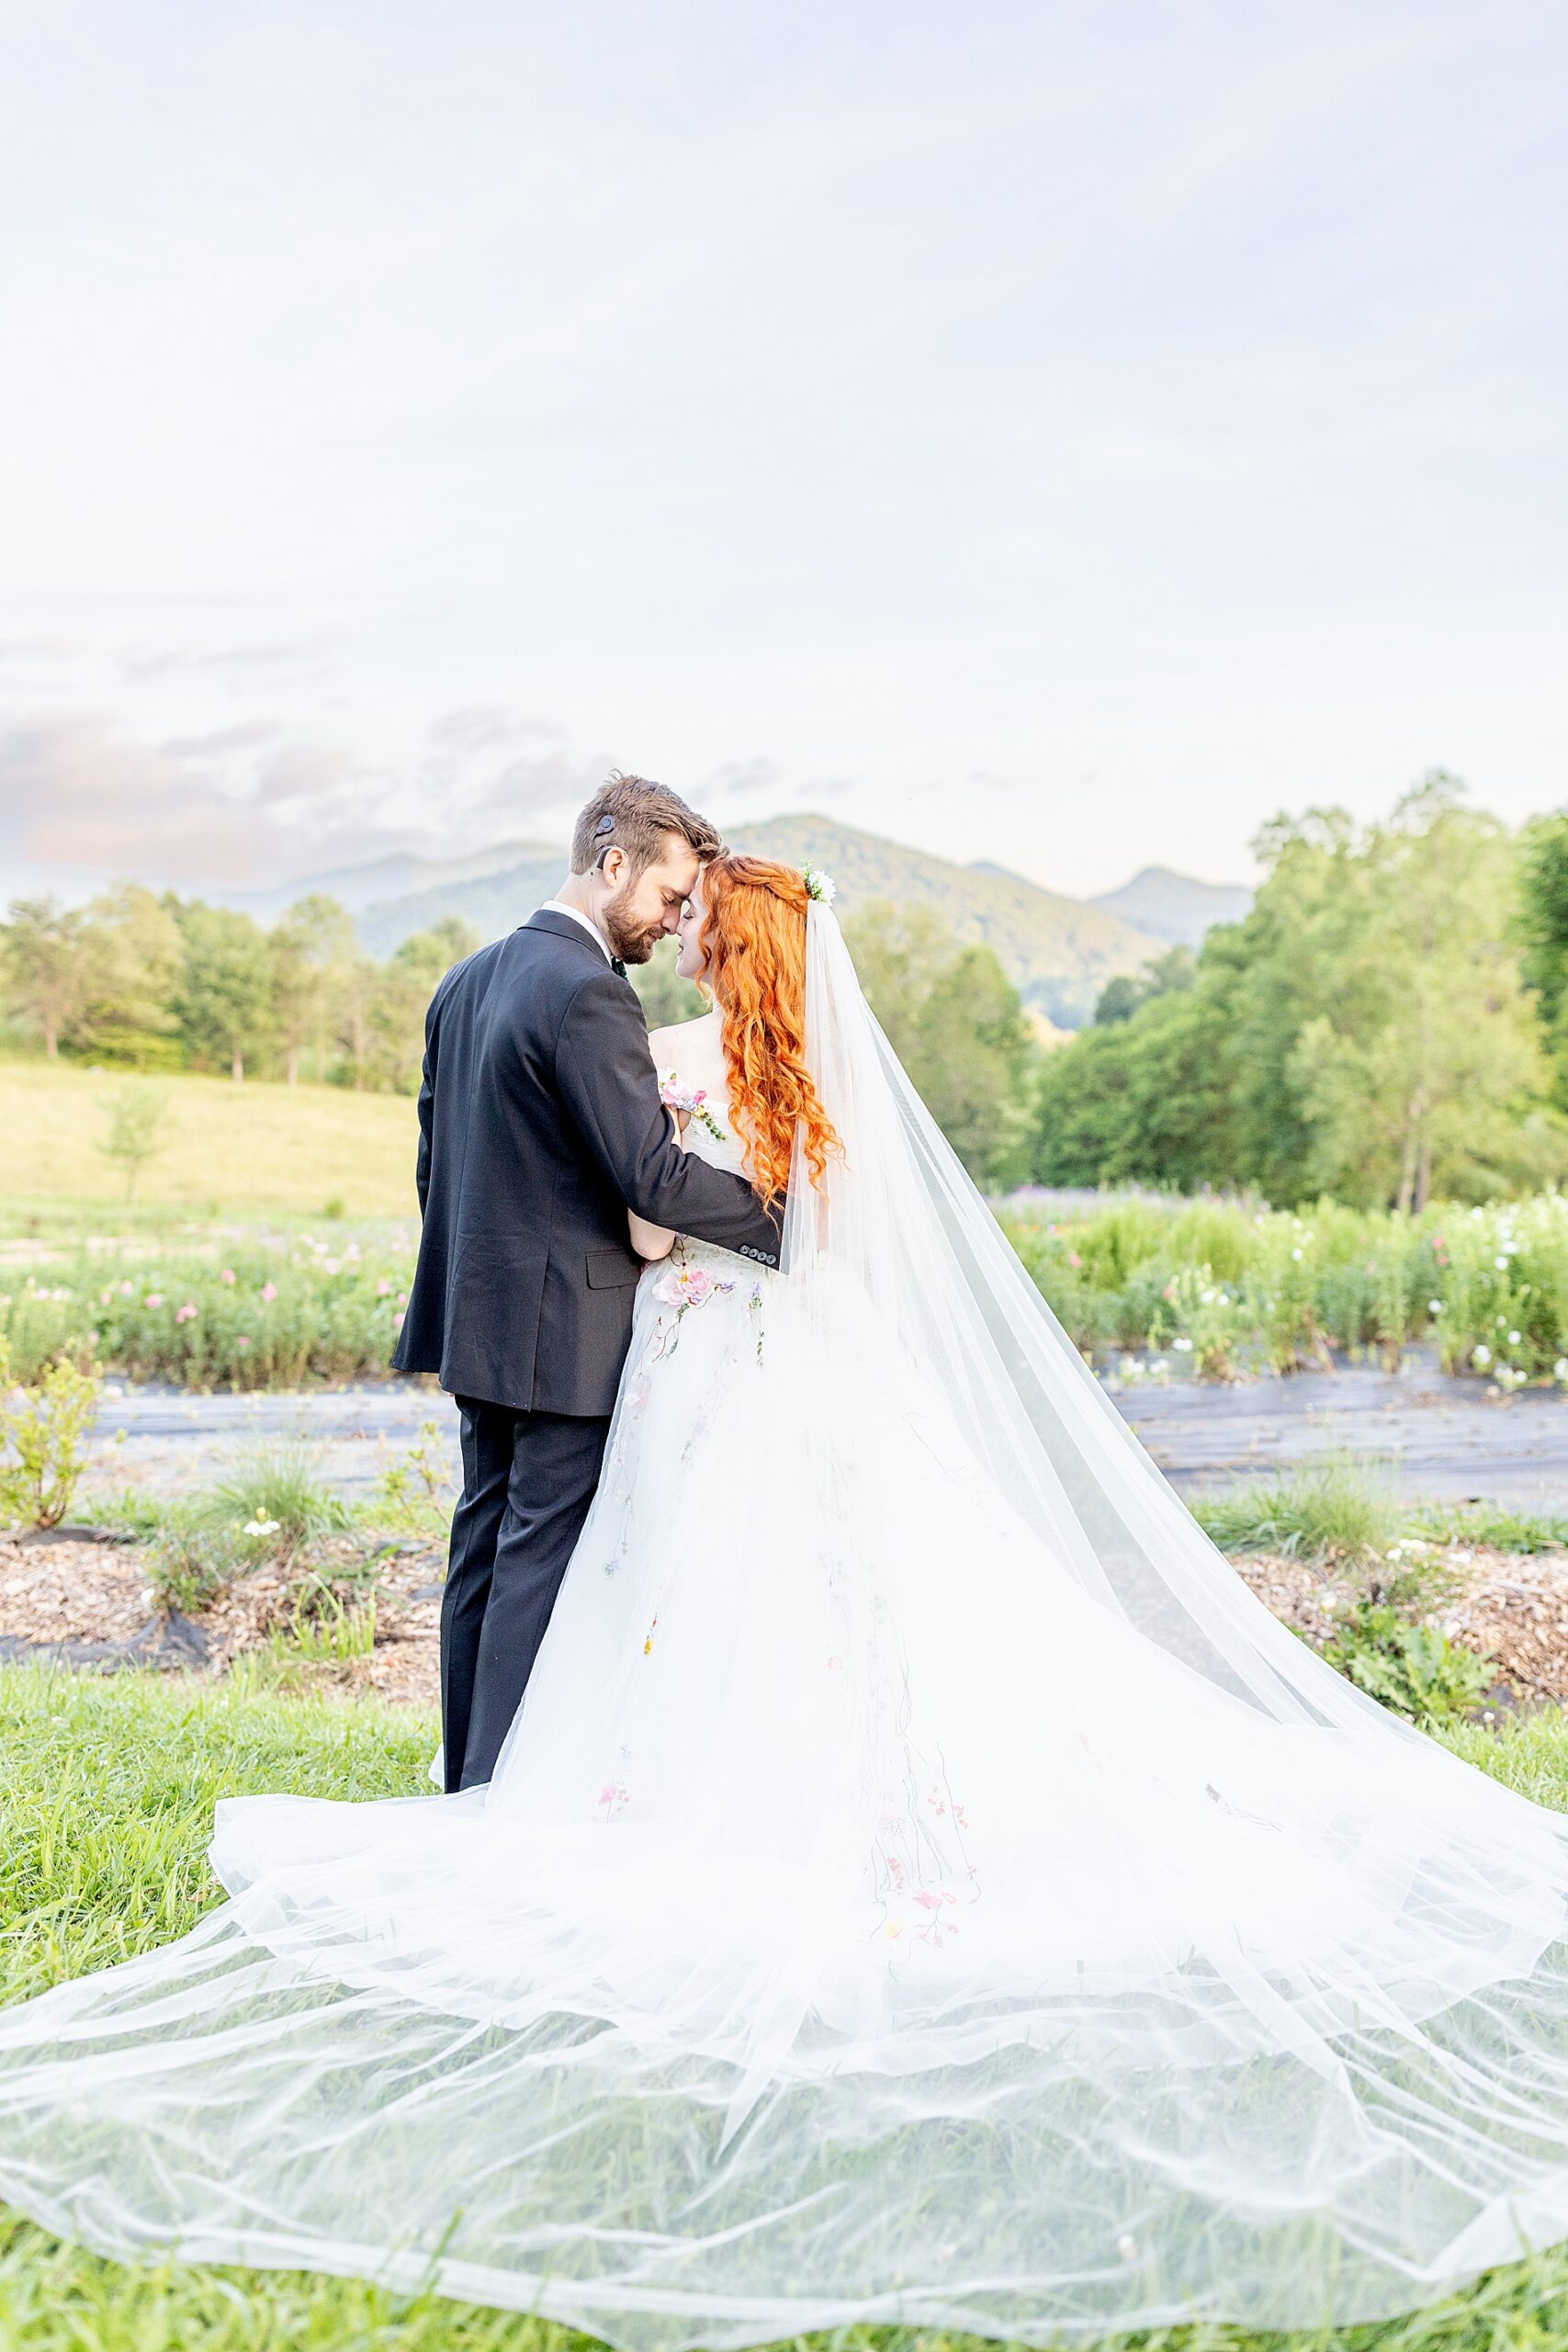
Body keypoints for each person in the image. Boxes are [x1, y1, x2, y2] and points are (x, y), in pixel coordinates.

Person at [6, 854, 1568, 2348]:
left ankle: (635, 1789)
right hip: (808, 1371)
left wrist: (668, 1219)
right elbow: (823, 1237)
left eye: (699, 915)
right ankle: (872, 1794)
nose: (681, 928)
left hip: (693, 1366)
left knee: (678, 1588)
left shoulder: (671, 1047)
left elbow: (637, 1213)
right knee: (839, 1598)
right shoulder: (825, 1085)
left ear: (720, 943)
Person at [391, 772, 781, 1790]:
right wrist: (789, 1227)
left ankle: (464, 1781)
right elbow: (650, 1175)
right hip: (565, 1329)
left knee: (480, 1544)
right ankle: (495, 1795)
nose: (669, 921)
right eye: (666, 894)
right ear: (614, 863)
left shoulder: (465, 980)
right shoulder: (590, 994)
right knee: (534, 1554)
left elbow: (434, 1164)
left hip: (475, 1318)